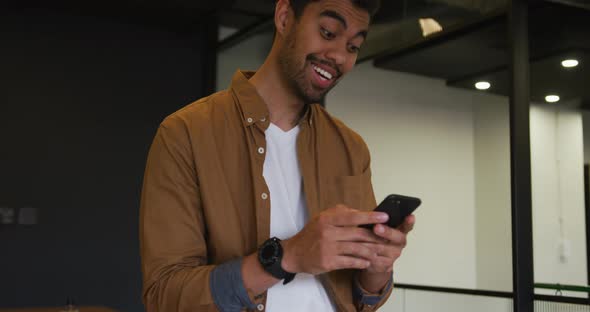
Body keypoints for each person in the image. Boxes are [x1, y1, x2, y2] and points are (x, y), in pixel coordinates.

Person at [139, 0, 416, 311]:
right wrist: (287, 257)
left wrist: (377, 269)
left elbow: (362, 297)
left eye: (353, 46)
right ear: (284, 18)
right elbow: (164, 296)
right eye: (327, 32)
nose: (339, 56)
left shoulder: (351, 148)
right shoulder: (186, 133)